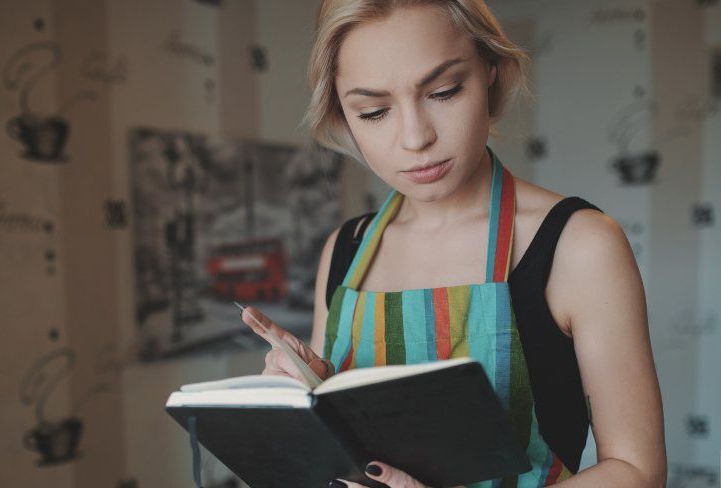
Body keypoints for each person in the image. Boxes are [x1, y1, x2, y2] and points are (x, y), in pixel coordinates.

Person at [239, 1, 667, 486]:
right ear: (343, 114)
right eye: (374, 111)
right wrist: (306, 392)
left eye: (443, 91)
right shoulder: (345, 248)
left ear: (490, 70)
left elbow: (638, 471)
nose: (416, 138)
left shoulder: (579, 243)